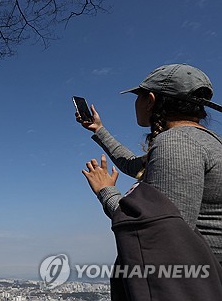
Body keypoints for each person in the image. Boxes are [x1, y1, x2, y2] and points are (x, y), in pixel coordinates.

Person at [77, 64, 222, 298]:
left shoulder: (178, 143)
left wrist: (106, 191)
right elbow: (134, 165)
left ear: (151, 100)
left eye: (138, 96)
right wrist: (99, 129)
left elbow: (158, 233)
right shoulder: (201, 141)